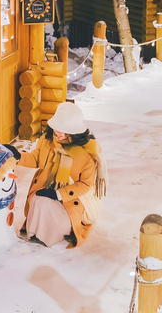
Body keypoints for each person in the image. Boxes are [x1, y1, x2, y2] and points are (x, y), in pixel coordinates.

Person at [10, 102, 107, 248]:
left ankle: (54, 234)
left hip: (73, 198)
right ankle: (36, 234)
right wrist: (17, 155)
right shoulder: (47, 140)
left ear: (74, 132)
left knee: (55, 215)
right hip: (47, 187)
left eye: (64, 130)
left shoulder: (87, 153)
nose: (58, 133)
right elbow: (35, 158)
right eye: (57, 128)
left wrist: (59, 194)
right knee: (38, 200)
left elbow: (85, 185)